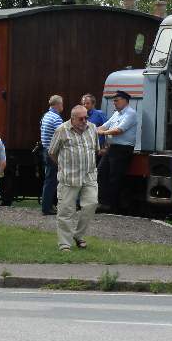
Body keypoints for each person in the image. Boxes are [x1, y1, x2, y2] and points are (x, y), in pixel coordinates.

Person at [48, 103, 99, 251]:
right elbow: (52, 152)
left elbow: (95, 149)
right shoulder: (61, 130)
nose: (84, 121)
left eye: (86, 118)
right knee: (66, 211)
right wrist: (63, 166)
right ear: (72, 118)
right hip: (69, 178)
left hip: (89, 176)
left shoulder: (92, 128)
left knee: (91, 204)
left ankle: (78, 235)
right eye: (81, 119)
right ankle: (65, 244)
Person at [96, 90, 138, 212]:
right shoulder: (116, 114)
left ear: (125, 101)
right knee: (101, 172)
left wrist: (102, 132)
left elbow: (119, 130)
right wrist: (96, 129)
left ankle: (112, 206)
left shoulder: (130, 113)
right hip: (112, 148)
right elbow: (105, 125)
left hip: (122, 149)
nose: (114, 103)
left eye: (116, 100)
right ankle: (103, 202)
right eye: (113, 101)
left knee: (115, 177)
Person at [38, 94, 64, 215]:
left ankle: (48, 205)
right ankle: (47, 207)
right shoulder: (56, 118)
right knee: (52, 180)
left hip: (45, 150)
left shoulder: (46, 116)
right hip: (53, 153)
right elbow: (62, 136)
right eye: (62, 103)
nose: (62, 106)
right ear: (58, 104)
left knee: (49, 179)